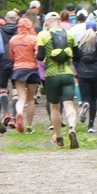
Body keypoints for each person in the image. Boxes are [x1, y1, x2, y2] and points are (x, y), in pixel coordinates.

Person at [36, 11, 80, 149]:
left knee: (54, 106)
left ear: (47, 22)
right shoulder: (70, 35)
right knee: (69, 104)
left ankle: (59, 137)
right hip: (67, 74)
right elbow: (78, 56)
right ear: (59, 21)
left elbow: (40, 56)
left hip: (51, 75)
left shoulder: (43, 35)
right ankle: (72, 128)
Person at [9, 18, 39, 133]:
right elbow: (37, 54)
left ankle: (19, 112)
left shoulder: (13, 40)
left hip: (18, 69)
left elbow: (11, 56)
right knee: (30, 98)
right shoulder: (33, 39)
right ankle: (29, 126)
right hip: (32, 69)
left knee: (21, 97)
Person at [0, 10, 19, 128]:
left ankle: (6, 113)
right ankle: (14, 118)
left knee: (3, 89)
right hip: (17, 62)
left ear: (5, 18)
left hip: (2, 63)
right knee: (16, 91)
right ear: (17, 18)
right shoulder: (20, 31)